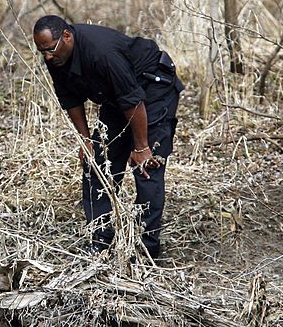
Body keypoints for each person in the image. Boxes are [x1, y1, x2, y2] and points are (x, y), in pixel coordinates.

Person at [33, 15, 182, 261]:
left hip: (152, 89)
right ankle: (100, 241)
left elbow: (133, 100)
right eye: (42, 51)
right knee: (97, 164)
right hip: (117, 97)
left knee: (147, 167)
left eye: (50, 49)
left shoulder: (102, 53)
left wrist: (141, 145)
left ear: (67, 37)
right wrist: (86, 140)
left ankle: (146, 248)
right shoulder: (55, 56)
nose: (47, 56)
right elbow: (69, 97)